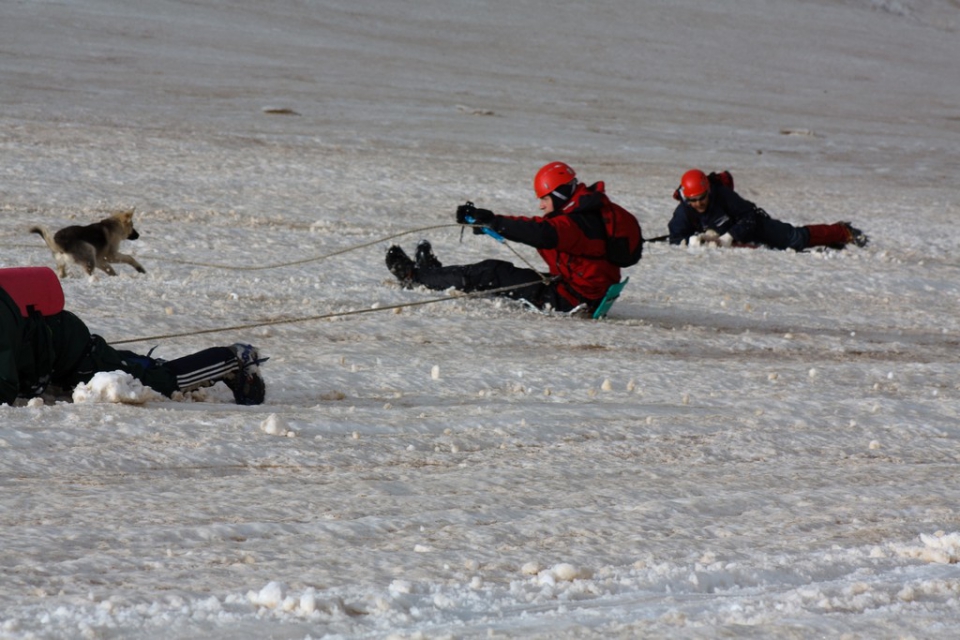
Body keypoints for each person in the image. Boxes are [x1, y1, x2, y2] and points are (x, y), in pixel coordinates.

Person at [384, 161, 634, 314]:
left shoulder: (576, 223)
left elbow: (539, 232)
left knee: (490, 272)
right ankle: (435, 276)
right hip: (583, 290)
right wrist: (487, 225)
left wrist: (492, 220)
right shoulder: (590, 211)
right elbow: (541, 231)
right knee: (494, 272)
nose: (541, 206)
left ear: (558, 196)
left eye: (544, 199)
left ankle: (413, 278)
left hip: (570, 300)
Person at [0, 266, 266, 406]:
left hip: (75, 354)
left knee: (157, 381)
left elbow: (5, 385)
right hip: (59, 351)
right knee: (126, 365)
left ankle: (233, 359)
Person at [667, 169, 868, 250]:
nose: (699, 204)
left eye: (702, 198)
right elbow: (675, 237)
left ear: (709, 191)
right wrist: (693, 240)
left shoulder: (724, 196)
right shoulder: (683, 213)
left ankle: (842, 231)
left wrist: (729, 235)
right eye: (693, 200)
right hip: (733, 239)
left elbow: (749, 217)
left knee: (795, 238)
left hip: (755, 226)